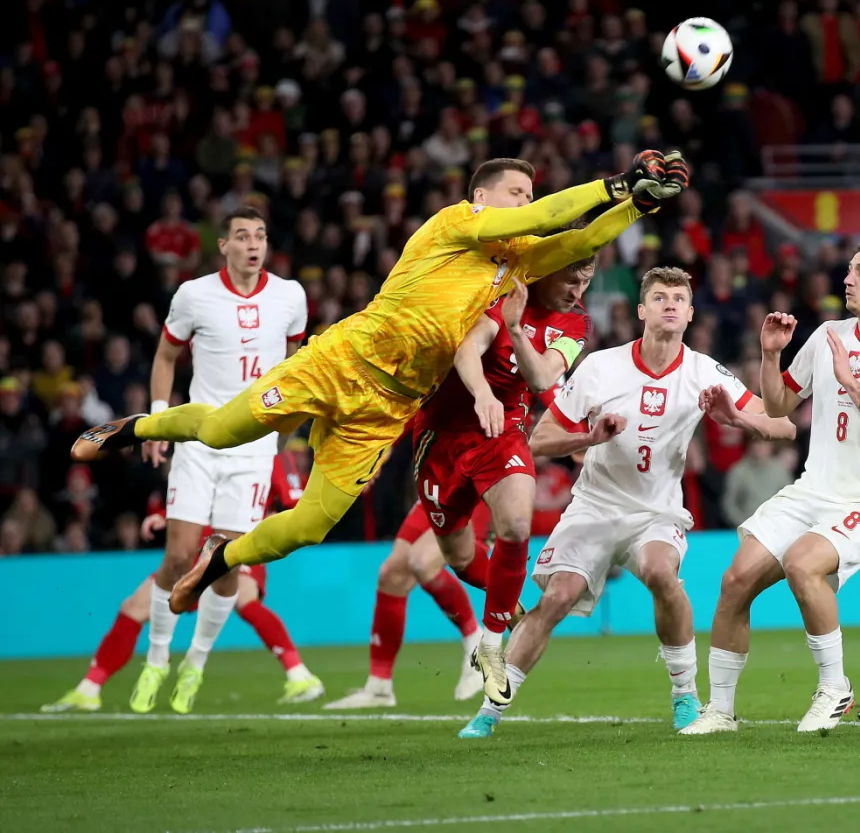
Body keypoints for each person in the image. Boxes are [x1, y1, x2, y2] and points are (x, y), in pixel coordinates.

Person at [73, 152, 690, 613]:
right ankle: (134, 427)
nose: (525, 203)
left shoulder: (517, 262)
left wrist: (639, 204)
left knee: (309, 526)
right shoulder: (456, 224)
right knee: (220, 430)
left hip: (388, 408)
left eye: (529, 193)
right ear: (480, 197)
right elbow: (548, 214)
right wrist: (612, 184)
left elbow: (579, 237)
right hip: (341, 362)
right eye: (515, 193)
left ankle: (221, 557)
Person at [457, 267, 795, 739]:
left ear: (692, 313)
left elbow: (784, 426)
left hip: (656, 511)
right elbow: (540, 438)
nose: (670, 304)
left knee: (661, 572)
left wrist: (736, 417)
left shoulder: (704, 372)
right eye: (659, 297)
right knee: (557, 597)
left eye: (679, 298)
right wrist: (590, 435)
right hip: (594, 505)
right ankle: (490, 711)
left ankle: (684, 696)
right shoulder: (601, 367)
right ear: (641, 311)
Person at [681, 242, 860, 736]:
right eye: (847, 270)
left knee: (803, 564)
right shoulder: (826, 335)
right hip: (812, 490)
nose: (847, 279)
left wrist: (849, 380)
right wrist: (771, 354)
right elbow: (777, 406)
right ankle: (720, 711)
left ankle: (834, 688)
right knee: (735, 581)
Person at [333, 257, 595, 708]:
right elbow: (466, 350)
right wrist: (482, 392)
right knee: (430, 562)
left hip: (501, 434)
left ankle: (486, 640)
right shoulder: (499, 291)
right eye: (572, 277)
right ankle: (499, 620)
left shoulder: (574, 323)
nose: (579, 290)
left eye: (587, 280)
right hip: (440, 443)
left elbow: (543, 379)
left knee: (511, 526)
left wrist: (572, 432)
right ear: (548, 268)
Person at [96, 208, 308, 714]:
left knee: (226, 562)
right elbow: (166, 357)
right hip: (198, 440)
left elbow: (296, 366)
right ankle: (157, 659)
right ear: (223, 246)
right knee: (178, 554)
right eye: (242, 236)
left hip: (254, 446)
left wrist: (286, 429)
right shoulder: (194, 295)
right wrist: (157, 422)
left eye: (259, 235)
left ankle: (195, 663)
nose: (253, 244)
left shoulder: (291, 295)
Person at [42, 447, 323, 712]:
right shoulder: (210, 432)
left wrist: (271, 524)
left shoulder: (270, 442)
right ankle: (89, 689)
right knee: (135, 607)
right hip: (196, 542)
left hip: (240, 540)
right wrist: (166, 516)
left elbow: (294, 500)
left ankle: (299, 675)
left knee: (244, 598)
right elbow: (198, 494)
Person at [325, 500, 493, 709]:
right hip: (435, 486)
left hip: (474, 484)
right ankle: (379, 688)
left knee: (422, 562)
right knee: (392, 575)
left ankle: (479, 644)